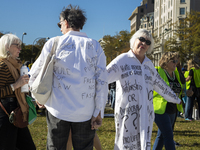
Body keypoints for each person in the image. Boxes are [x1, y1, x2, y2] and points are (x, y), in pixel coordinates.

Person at [29, 4, 107, 150]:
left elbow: (35, 73)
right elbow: (102, 81)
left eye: (60, 24)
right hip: (85, 111)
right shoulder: (95, 46)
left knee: (55, 147)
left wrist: (39, 97)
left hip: (58, 109)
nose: (60, 28)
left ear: (65, 22)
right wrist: (98, 111)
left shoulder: (54, 42)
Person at [106, 29, 182, 150]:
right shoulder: (122, 60)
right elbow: (102, 77)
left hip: (146, 114)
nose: (144, 43)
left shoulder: (148, 64)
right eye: (141, 39)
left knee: (143, 143)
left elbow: (160, 84)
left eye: (148, 42)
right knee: (125, 144)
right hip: (127, 113)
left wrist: (176, 99)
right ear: (134, 40)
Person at [0, 34, 36, 149]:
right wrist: (16, 85)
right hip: (6, 112)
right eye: (17, 45)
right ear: (7, 47)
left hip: (17, 109)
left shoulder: (16, 65)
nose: (20, 48)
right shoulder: (2, 65)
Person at [152, 52, 183, 150]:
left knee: (161, 136)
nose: (176, 63)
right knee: (169, 136)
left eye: (177, 61)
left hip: (172, 109)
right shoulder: (157, 71)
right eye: (173, 61)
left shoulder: (176, 73)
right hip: (160, 108)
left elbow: (180, 87)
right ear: (165, 62)